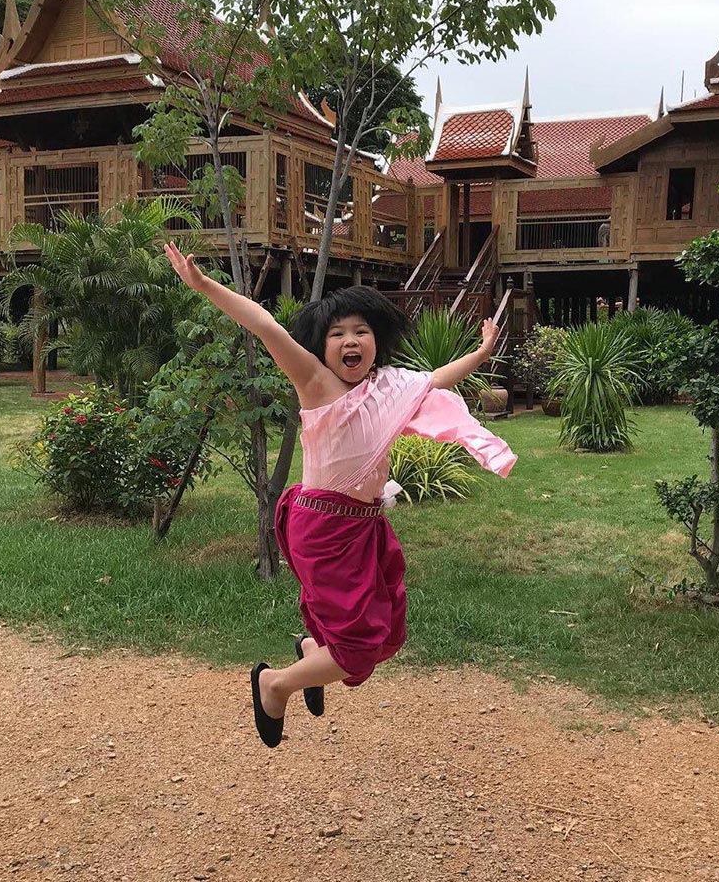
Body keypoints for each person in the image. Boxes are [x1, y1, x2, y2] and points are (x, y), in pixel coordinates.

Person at [164, 242, 517, 747]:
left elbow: (436, 379)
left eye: (361, 331)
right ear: (321, 345)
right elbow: (264, 324)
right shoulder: (315, 382)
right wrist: (202, 285)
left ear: (377, 340)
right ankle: (274, 684)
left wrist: (480, 354)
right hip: (323, 527)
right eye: (337, 334)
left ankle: (312, 651)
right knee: (358, 648)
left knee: (387, 631)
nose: (350, 341)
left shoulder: (390, 387)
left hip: (365, 525)